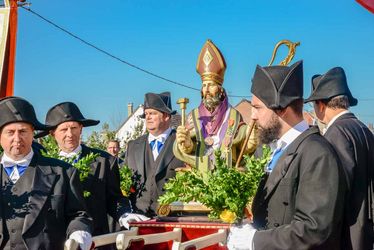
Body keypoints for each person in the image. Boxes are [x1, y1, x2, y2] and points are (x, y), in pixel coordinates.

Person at [227, 61, 347, 249]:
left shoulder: (317, 153)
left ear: (282, 108)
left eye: (258, 107)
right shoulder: (279, 149)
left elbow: (314, 229)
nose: (252, 116)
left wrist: (255, 241)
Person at [35, 101, 144, 240]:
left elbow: (115, 198)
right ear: (52, 133)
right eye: (63, 129)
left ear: (81, 129)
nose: (70, 134)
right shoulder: (42, 165)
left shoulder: (104, 161)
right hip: (56, 241)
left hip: (96, 239)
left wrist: (124, 214)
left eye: (74, 128)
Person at [0, 97, 92, 250]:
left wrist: (79, 231)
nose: (17, 138)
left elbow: (79, 214)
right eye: (10, 132)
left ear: (32, 133)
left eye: (23, 131)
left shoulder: (64, 172)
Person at [305, 67, 374, 250]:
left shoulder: (336, 133)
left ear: (321, 105)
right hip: (366, 231)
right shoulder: (364, 130)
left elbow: (334, 194)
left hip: (348, 235)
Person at [174, 39, 257, 172]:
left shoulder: (233, 115)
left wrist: (251, 140)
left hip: (225, 179)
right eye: (204, 85)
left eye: (211, 85)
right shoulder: (193, 116)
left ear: (221, 90)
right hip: (199, 180)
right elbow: (187, 149)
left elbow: (243, 148)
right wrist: (186, 145)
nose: (206, 90)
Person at [126, 92, 184, 217]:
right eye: (146, 114)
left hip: (173, 218)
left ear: (166, 116)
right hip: (138, 218)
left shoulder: (182, 144)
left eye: (152, 113)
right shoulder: (133, 146)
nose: (148, 117)